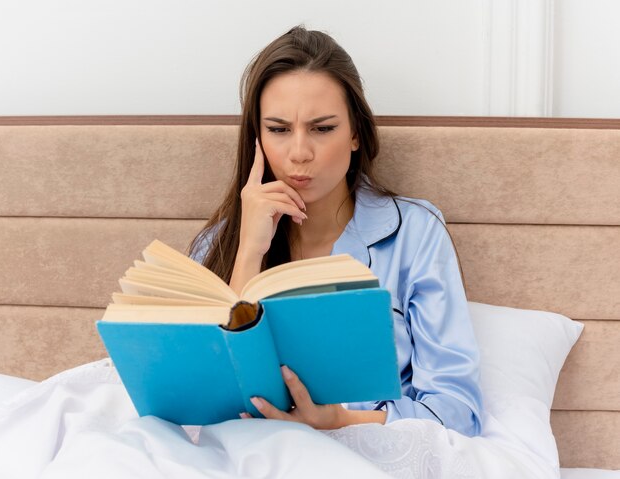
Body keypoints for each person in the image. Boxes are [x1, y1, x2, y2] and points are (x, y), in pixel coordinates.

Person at [188, 25, 483, 437]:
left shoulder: (414, 234)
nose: (299, 153)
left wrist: (341, 422)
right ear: (256, 140)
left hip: (363, 452)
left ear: (357, 133)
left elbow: (457, 413)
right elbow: (202, 396)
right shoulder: (217, 245)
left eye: (322, 128)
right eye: (278, 129)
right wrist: (249, 253)